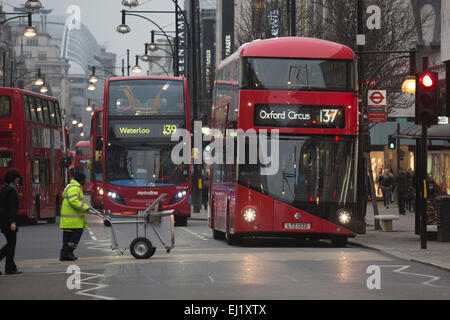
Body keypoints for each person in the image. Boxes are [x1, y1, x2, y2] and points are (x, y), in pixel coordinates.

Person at [59, 171, 90, 261]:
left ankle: (64, 255)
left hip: (68, 218)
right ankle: (68, 252)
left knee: (67, 237)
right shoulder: (75, 188)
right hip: (72, 218)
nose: (85, 181)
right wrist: (85, 207)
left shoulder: (71, 186)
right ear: (81, 180)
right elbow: (73, 201)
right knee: (77, 233)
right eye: (84, 179)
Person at [0, 169, 23, 275]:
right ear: (14, 178)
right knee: (11, 244)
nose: (19, 180)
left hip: (4, 221)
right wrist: (13, 222)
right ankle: (10, 267)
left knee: (10, 244)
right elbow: (12, 207)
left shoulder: (5, 189)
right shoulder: (12, 190)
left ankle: (10, 266)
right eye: (18, 178)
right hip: (9, 221)